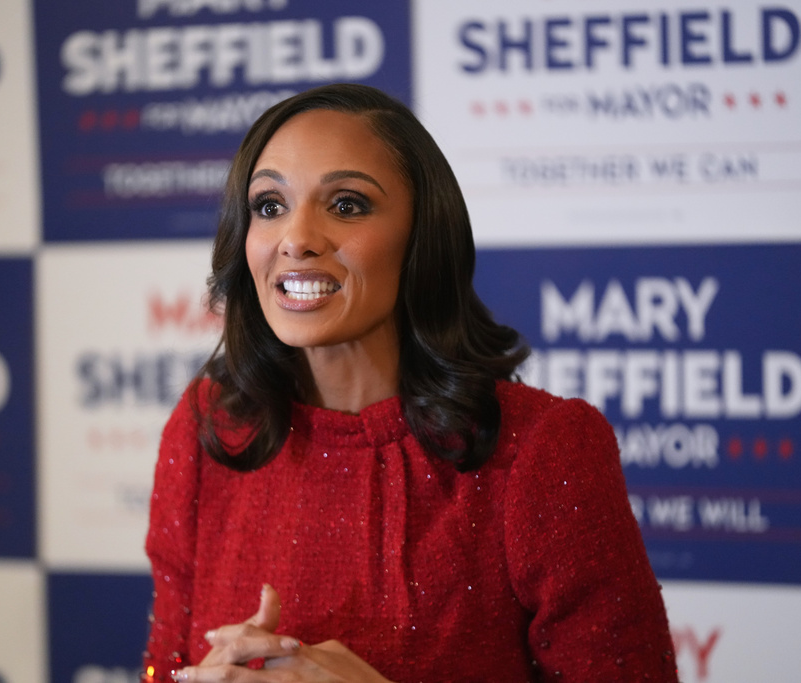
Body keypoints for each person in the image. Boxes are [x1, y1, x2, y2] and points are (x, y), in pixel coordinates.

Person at [141, 83, 678, 682]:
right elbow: (162, 668)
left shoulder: (542, 448)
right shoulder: (209, 427)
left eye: (347, 205)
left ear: (422, 235)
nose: (296, 239)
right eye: (269, 206)